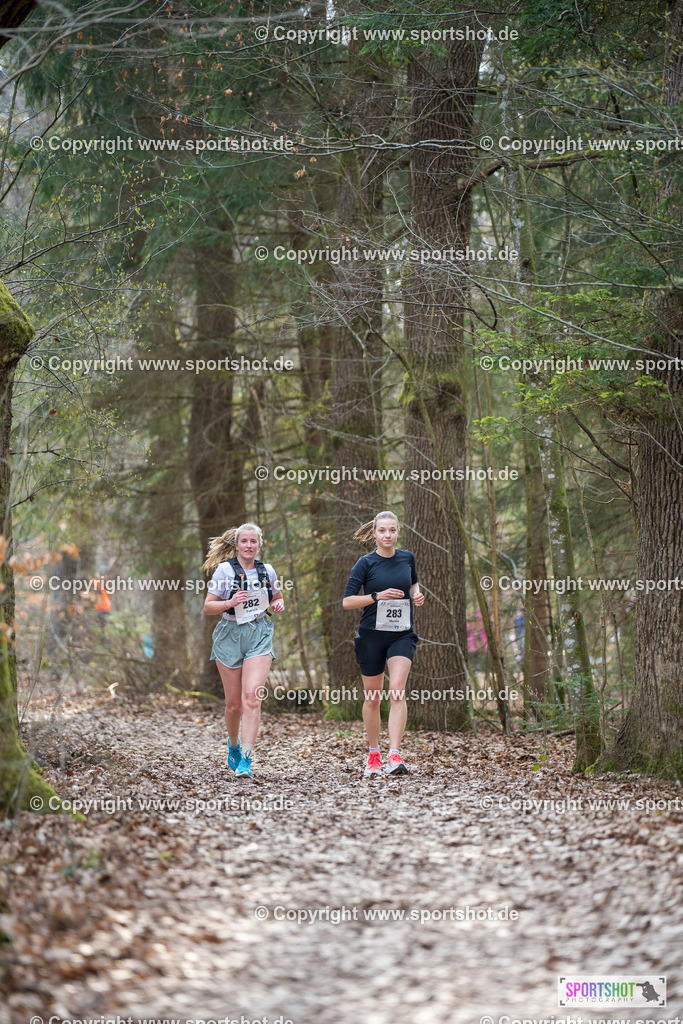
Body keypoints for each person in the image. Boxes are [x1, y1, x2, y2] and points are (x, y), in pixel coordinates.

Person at [342, 510, 425, 777]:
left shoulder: (407, 557)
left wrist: (417, 594)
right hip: (371, 635)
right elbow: (347, 601)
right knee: (373, 698)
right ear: (374, 534)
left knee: (397, 689)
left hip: (402, 633)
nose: (388, 535)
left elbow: (413, 584)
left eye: (392, 530)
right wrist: (377, 596)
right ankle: (374, 753)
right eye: (382, 531)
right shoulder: (365, 563)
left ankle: (395, 754)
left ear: (398, 531)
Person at [203, 522, 284, 778]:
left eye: (253, 542)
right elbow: (208, 607)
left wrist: (279, 603)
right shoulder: (224, 571)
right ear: (236, 545)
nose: (249, 546)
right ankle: (234, 745)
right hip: (229, 634)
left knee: (252, 697)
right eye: (244, 541)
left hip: (259, 633)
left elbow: (277, 596)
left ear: (259, 544)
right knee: (234, 705)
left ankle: (247, 760)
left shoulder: (267, 570)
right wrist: (230, 601)